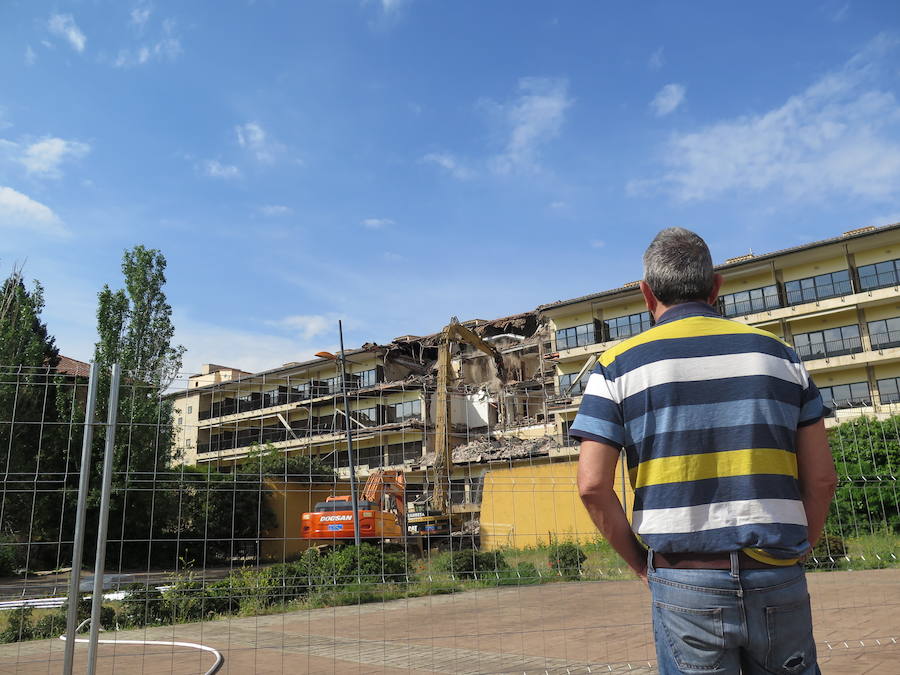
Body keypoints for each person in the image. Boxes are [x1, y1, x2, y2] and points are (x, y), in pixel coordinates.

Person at [572, 227, 837, 674]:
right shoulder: (782, 358)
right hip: (777, 572)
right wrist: (796, 550)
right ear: (716, 286)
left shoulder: (617, 367)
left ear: (645, 293)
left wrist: (643, 566)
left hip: (683, 578)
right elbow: (823, 479)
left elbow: (592, 486)